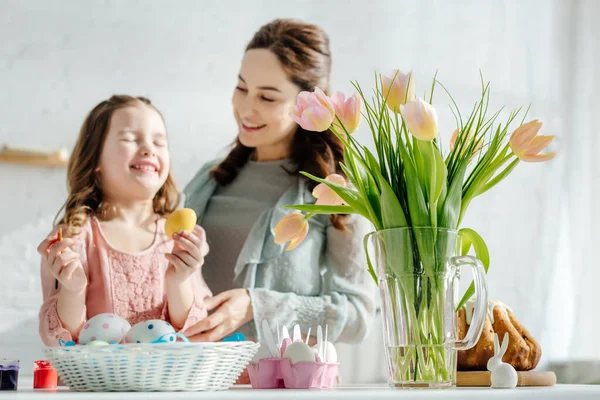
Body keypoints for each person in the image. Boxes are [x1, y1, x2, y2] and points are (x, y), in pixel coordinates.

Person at [183, 19, 376, 345]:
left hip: (282, 385)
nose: (246, 108)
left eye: (268, 98)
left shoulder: (334, 192)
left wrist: (257, 305)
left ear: (308, 104)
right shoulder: (208, 179)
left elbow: (357, 316)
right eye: (242, 88)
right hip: (197, 380)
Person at [38, 95, 211, 345]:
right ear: (96, 158)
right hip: (98, 382)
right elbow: (60, 342)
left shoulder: (181, 237)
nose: (149, 149)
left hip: (168, 382)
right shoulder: (74, 237)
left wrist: (179, 280)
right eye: (130, 138)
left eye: (159, 142)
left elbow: (196, 334)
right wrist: (73, 290)